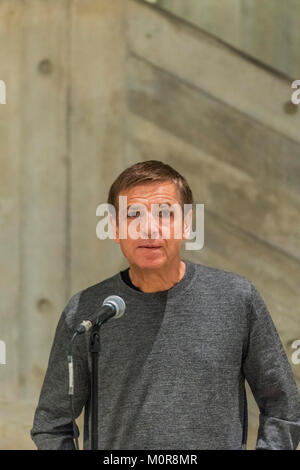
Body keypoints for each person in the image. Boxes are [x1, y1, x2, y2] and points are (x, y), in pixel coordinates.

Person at [30, 160, 300, 450]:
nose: (149, 229)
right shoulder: (88, 311)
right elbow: (52, 424)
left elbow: (283, 409)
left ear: (187, 223)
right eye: (133, 215)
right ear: (114, 226)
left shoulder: (236, 299)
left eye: (164, 214)